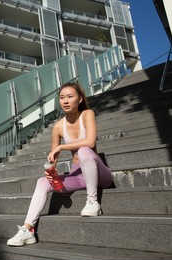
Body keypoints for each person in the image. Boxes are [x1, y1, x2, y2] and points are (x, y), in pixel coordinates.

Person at [7, 82, 113, 247]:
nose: (65, 101)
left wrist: (62, 146)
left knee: (84, 150)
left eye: (70, 96)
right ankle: (28, 230)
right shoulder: (58, 126)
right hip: (78, 175)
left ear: (79, 99)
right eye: (62, 97)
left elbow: (90, 142)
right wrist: (50, 169)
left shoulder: (87, 114)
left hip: (100, 174)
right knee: (42, 182)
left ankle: (92, 201)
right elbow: (53, 160)